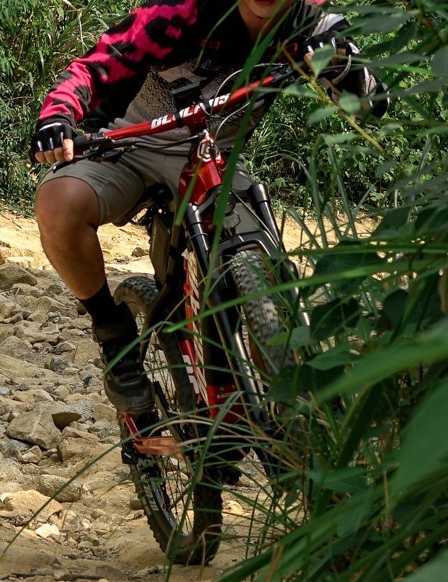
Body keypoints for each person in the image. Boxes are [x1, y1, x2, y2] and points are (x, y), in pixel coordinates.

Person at [30, 0, 388, 415]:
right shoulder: (182, 11)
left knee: (265, 268)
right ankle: (112, 332)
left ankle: (295, 409)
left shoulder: (310, 24)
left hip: (213, 158)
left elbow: (373, 102)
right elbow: (96, 64)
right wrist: (57, 117)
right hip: (129, 143)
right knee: (58, 205)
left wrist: (339, 62)